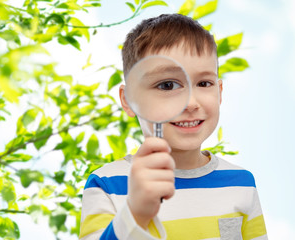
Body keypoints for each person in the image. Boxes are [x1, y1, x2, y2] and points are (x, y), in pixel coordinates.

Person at [79, 14, 267, 239]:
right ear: (129, 100)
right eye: (167, 85)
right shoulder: (107, 184)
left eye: (204, 83)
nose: (190, 103)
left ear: (220, 93)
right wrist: (135, 215)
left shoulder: (242, 182)